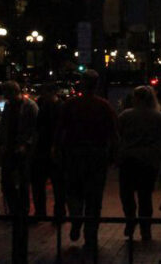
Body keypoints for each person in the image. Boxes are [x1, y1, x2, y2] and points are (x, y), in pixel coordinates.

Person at [56, 69, 118, 253]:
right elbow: (113, 133)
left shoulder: (70, 105)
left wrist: (58, 150)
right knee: (94, 198)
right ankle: (90, 236)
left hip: (74, 155)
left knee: (74, 192)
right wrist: (114, 155)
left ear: (82, 83)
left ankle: (76, 219)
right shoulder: (104, 106)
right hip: (96, 156)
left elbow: (60, 131)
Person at [116, 85, 161, 240]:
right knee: (145, 195)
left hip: (129, 159)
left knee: (126, 193)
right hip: (149, 161)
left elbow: (117, 134)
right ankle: (145, 228)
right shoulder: (159, 117)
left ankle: (130, 219)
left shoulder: (126, 115)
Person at [0, 81, 38, 217]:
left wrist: (26, 144)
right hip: (10, 146)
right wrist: (3, 143)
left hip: (23, 148)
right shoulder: (9, 106)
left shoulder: (30, 106)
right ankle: (15, 209)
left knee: (23, 181)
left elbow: (36, 129)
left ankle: (23, 210)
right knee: (8, 180)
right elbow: (4, 126)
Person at [31, 83, 66, 221]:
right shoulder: (53, 106)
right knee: (53, 183)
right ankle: (50, 212)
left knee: (54, 183)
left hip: (50, 148)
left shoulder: (54, 107)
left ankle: (51, 212)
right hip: (47, 148)